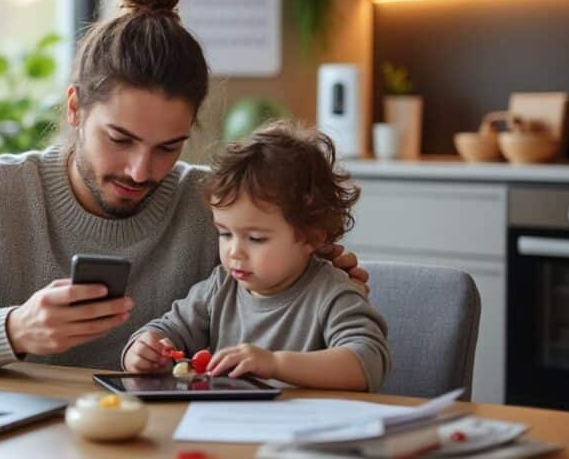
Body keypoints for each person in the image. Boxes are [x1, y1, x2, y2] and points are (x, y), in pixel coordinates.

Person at [0, 0, 368, 374]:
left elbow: (291, 337)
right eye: (120, 139)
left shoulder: (221, 206)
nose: (141, 171)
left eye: (169, 147)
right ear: (75, 108)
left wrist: (306, 282)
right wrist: (12, 329)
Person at [122, 122, 390, 391]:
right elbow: (169, 329)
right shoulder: (220, 286)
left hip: (306, 427)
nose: (234, 251)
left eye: (256, 238)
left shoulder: (333, 293)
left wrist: (274, 364)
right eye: (225, 233)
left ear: (312, 237)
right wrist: (145, 348)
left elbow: (366, 363)